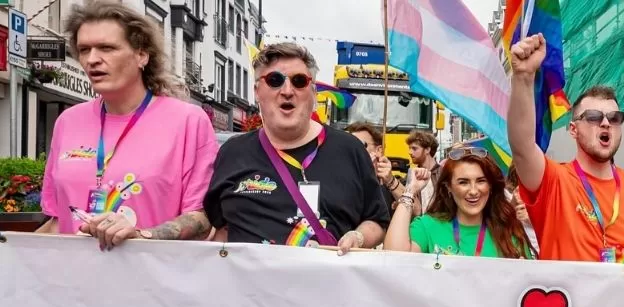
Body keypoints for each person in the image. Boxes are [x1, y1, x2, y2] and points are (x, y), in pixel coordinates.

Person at [36, 0, 218, 250]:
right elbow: (58, 222)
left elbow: (202, 219)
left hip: (149, 280)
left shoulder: (188, 121)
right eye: (84, 49)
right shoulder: (68, 121)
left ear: (142, 54)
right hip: (73, 283)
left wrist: (142, 235)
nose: (92, 59)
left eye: (106, 48)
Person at [506, 33, 624, 278]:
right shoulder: (554, 181)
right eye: (593, 117)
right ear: (573, 129)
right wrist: (524, 78)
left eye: (614, 118)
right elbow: (522, 146)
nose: (606, 123)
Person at [204, 43, 389, 252]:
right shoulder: (232, 153)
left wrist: (358, 236)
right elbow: (215, 226)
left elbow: (378, 220)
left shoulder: (350, 150)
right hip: (251, 284)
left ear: (313, 92)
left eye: (299, 81)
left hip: (326, 282)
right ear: (257, 91)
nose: (287, 91)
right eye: (274, 81)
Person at [383, 147, 535, 259]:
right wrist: (411, 190)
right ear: (449, 187)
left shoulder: (509, 230)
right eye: (463, 182)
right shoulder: (428, 226)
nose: (473, 191)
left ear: (490, 186)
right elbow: (393, 259)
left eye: (481, 181)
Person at [345, 121, 399, 211]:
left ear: (379, 150)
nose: (354, 150)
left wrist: (390, 180)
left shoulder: (391, 182)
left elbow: (416, 210)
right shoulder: (346, 179)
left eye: (361, 144)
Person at [406, 130, 441, 214]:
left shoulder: (444, 173)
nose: (410, 152)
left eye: (414, 148)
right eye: (410, 148)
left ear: (427, 150)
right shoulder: (412, 175)